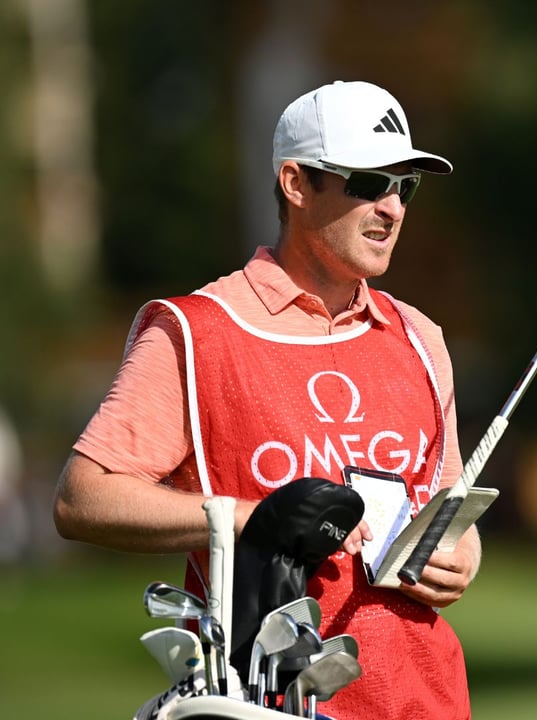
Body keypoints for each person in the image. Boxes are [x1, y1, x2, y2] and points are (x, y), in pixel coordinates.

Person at [54, 80, 479, 720]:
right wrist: (247, 517)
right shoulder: (197, 331)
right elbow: (82, 498)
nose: (392, 207)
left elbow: (443, 501)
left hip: (429, 699)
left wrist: (458, 558)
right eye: (368, 182)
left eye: (404, 186)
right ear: (296, 183)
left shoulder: (420, 337)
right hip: (266, 704)